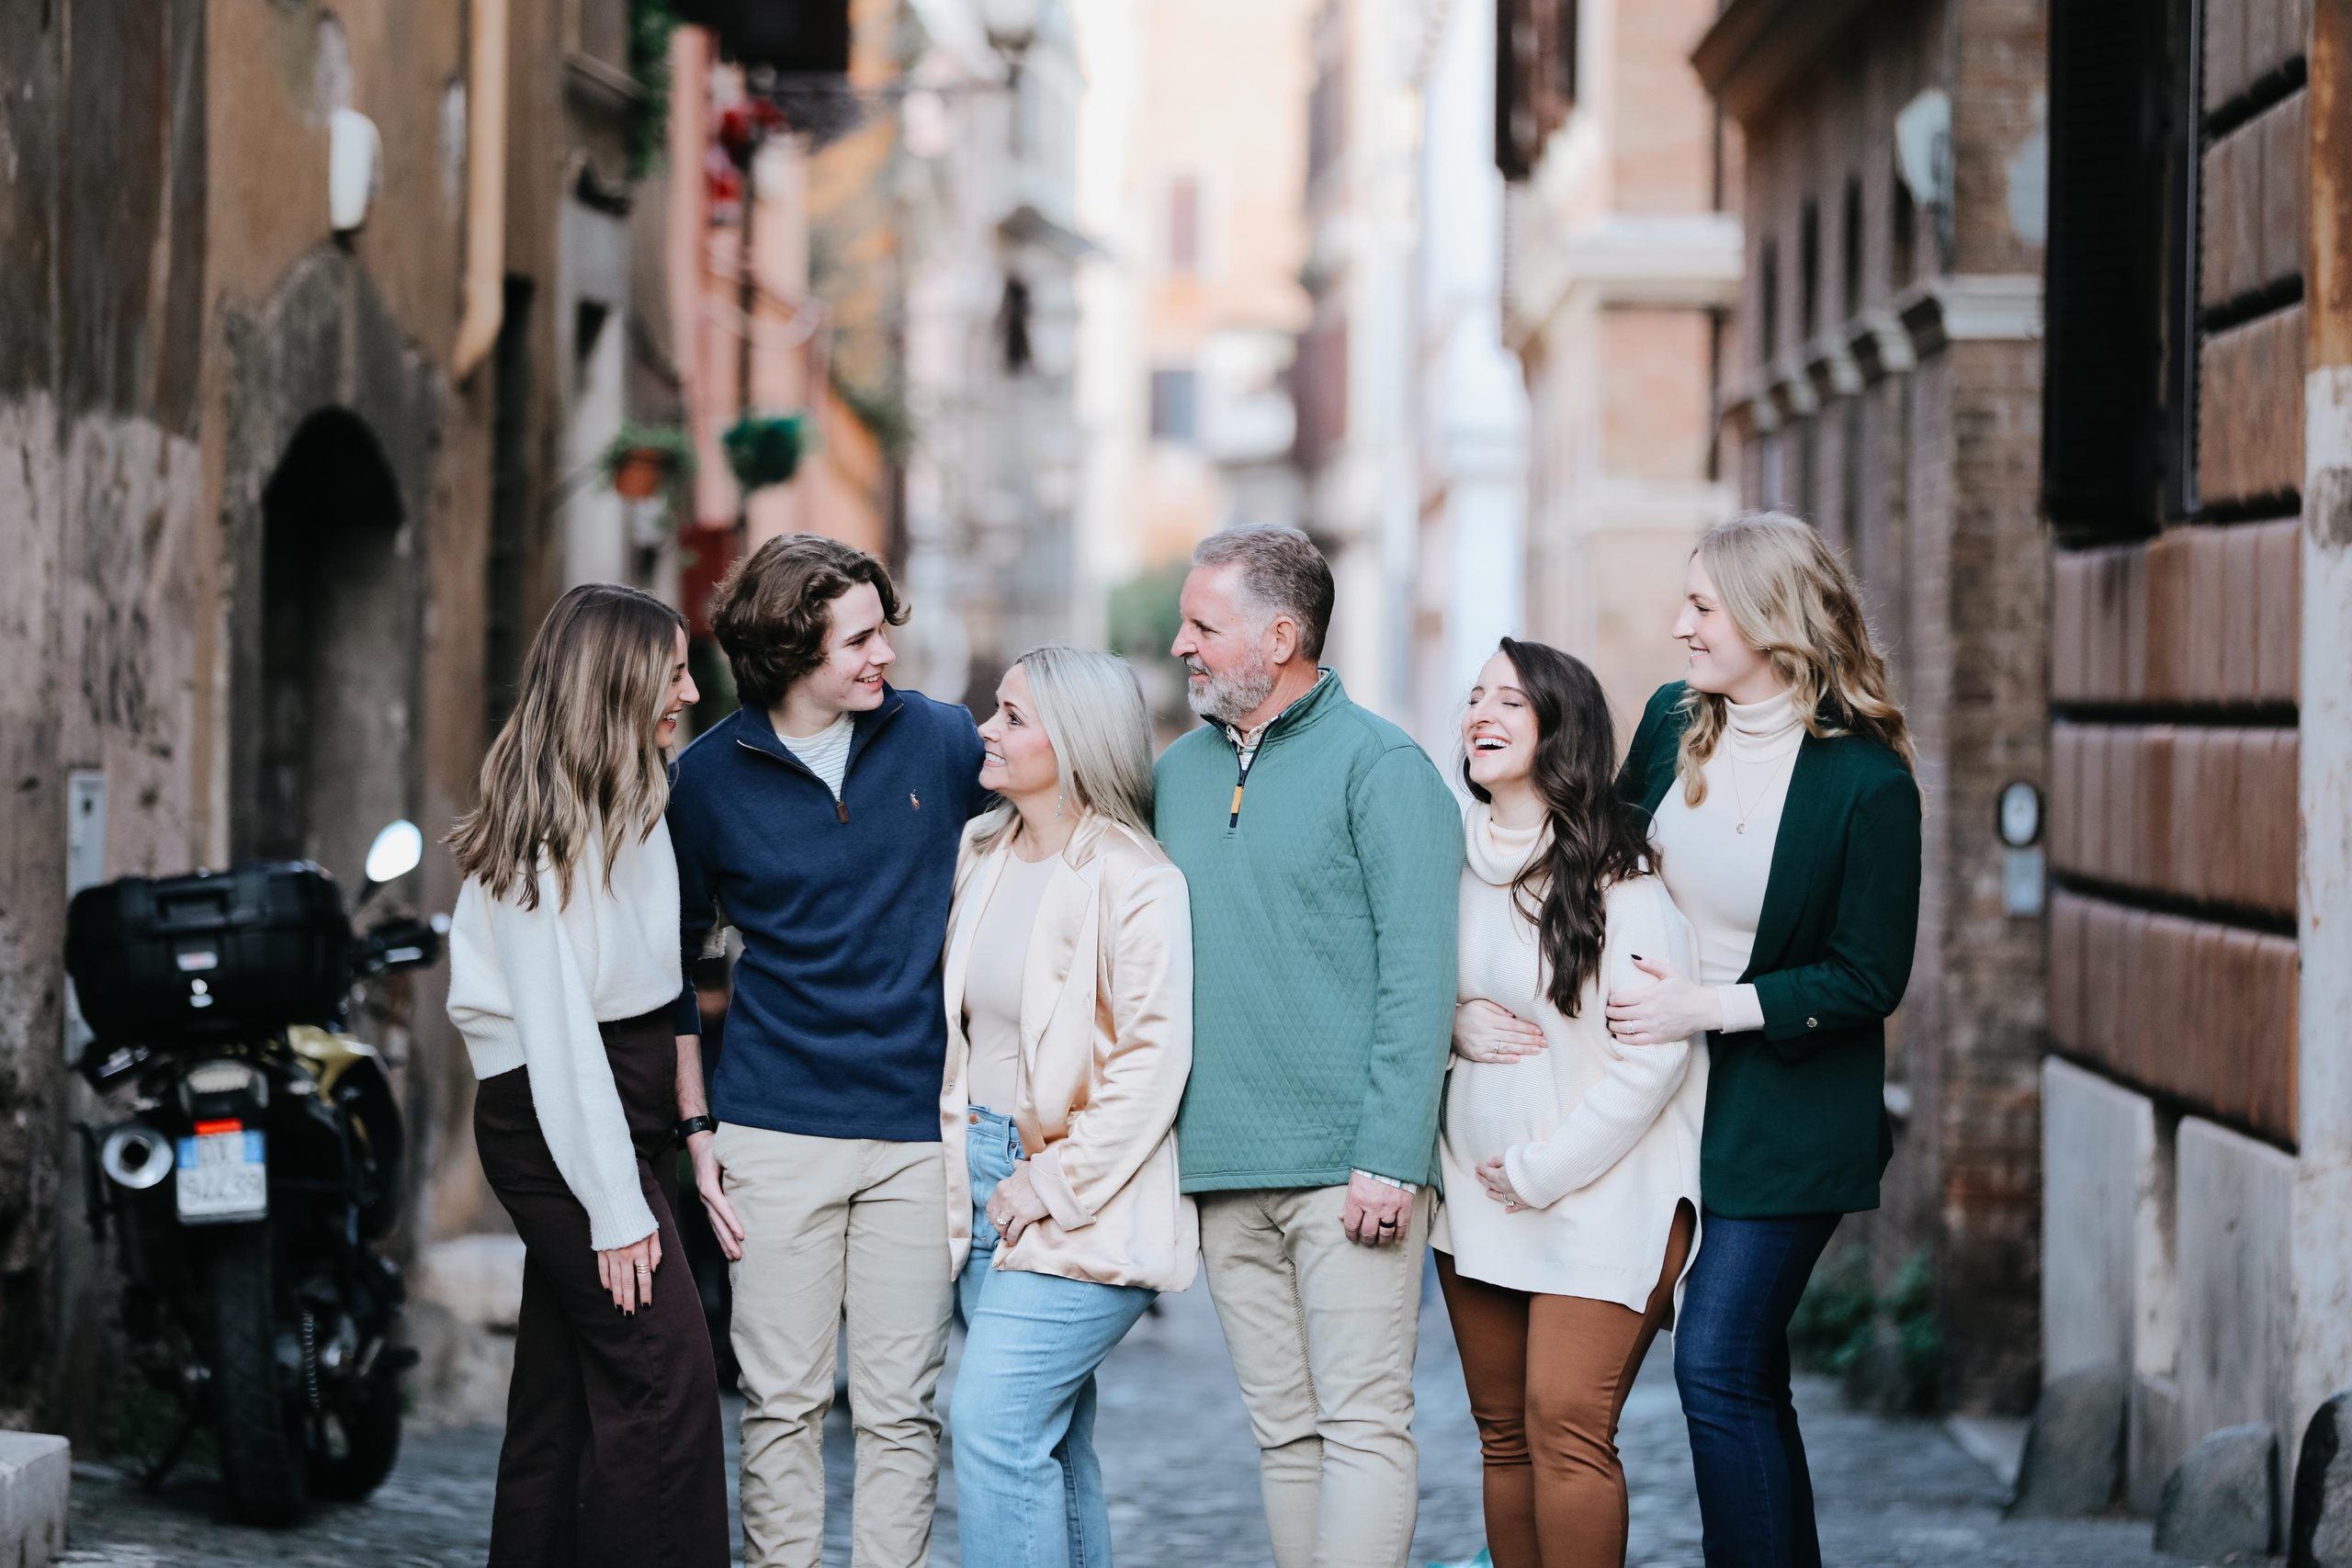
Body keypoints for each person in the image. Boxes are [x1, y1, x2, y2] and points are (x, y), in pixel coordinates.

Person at [1604, 513, 1921, 1568]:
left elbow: (1868, 978)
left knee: (1717, 1362)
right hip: (1657, 1092)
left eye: (1703, 606)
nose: (1681, 625)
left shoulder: (1865, 782)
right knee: (1745, 1378)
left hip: (1789, 1111)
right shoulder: (1666, 722)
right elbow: (1598, 877)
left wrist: (1709, 1005)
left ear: (1770, 619)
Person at [666, 534, 989, 1568]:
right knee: (781, 1406)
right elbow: (670, 966)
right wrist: (696, 1126)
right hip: (770, 1128)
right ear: (788, 651)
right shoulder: (707, 781)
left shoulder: (940, 742)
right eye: (858, 639)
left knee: (901, 1412)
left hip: (914, 1132)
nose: (882, 654)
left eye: (882, 630)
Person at [1152, 526, 1463, 1568]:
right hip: (1224, 1165)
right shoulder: (1174, 778)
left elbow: (1421, 977)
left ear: (1280, 635)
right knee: (1282, 1432)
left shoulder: (1383, 768)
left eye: (1204, 625)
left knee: (1363, 1424)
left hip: (1350, 1173)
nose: (1180, 645)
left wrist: (1387, 1155)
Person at [445, 583, 729, 1568]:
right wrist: (617, 1205)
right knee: (665, 1386)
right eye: (674, 673)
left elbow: (655, 988)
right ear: (614, 685)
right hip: (561, 1119)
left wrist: (690, 1134)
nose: (690, 694)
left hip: (622, 1106)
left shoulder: (637, 799)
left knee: (563, 1395)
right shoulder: (535, 836)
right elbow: (561, 1040)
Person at [1431, 638, 1707, 1568]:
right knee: (1502, 1433)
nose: (1482, 715)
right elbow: (1409, 993)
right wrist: (1453, 1022)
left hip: (1597, 1198)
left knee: (1564, 1428)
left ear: (1562, 726)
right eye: (1474, 699)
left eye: (1509, 702)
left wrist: (1542, 1171)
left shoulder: (1620, 873)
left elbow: (1655, 1057)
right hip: (1474, 1198)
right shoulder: (1450, 864)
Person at [939, 644, 1197, 1568]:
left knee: (992, 1422)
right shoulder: (982, 852)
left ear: (1076, 740)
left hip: (1078, 1194)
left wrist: (1046, 1183)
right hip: (975, 1176)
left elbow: (1151, 1061)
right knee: (1046, 1440)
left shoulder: (1137, 879)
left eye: (1013, 716)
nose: (986, 731)